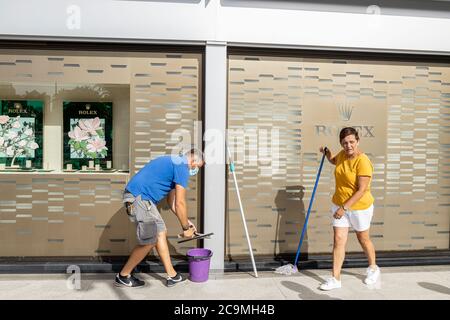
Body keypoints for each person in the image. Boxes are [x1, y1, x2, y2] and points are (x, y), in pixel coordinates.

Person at [115, 148, 204, 288]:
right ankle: (123, 275)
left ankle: (172, 275)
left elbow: (173, 202)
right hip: (141, 199)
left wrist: (186, 222)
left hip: (141, 199)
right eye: (197, 167)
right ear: (192, 161)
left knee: (160, 233)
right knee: (149, 241)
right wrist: (185, 228)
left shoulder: (174, 162)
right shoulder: (181, 166)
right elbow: (181, 203)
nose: (194, 171)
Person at [319, 127, 380, 291]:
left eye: (352, 142)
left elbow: (361, 190)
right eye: (345, 143)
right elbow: (334, 161)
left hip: (359, 207)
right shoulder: (342, 155)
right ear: (341, 143)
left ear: (358, 141)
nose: (348, 145)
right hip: (340, 205)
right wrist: (328, 154)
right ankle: (335, 278)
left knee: (363, 239)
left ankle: (373, 268)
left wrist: (344, 208)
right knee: (338, 240)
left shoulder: (363, 161)